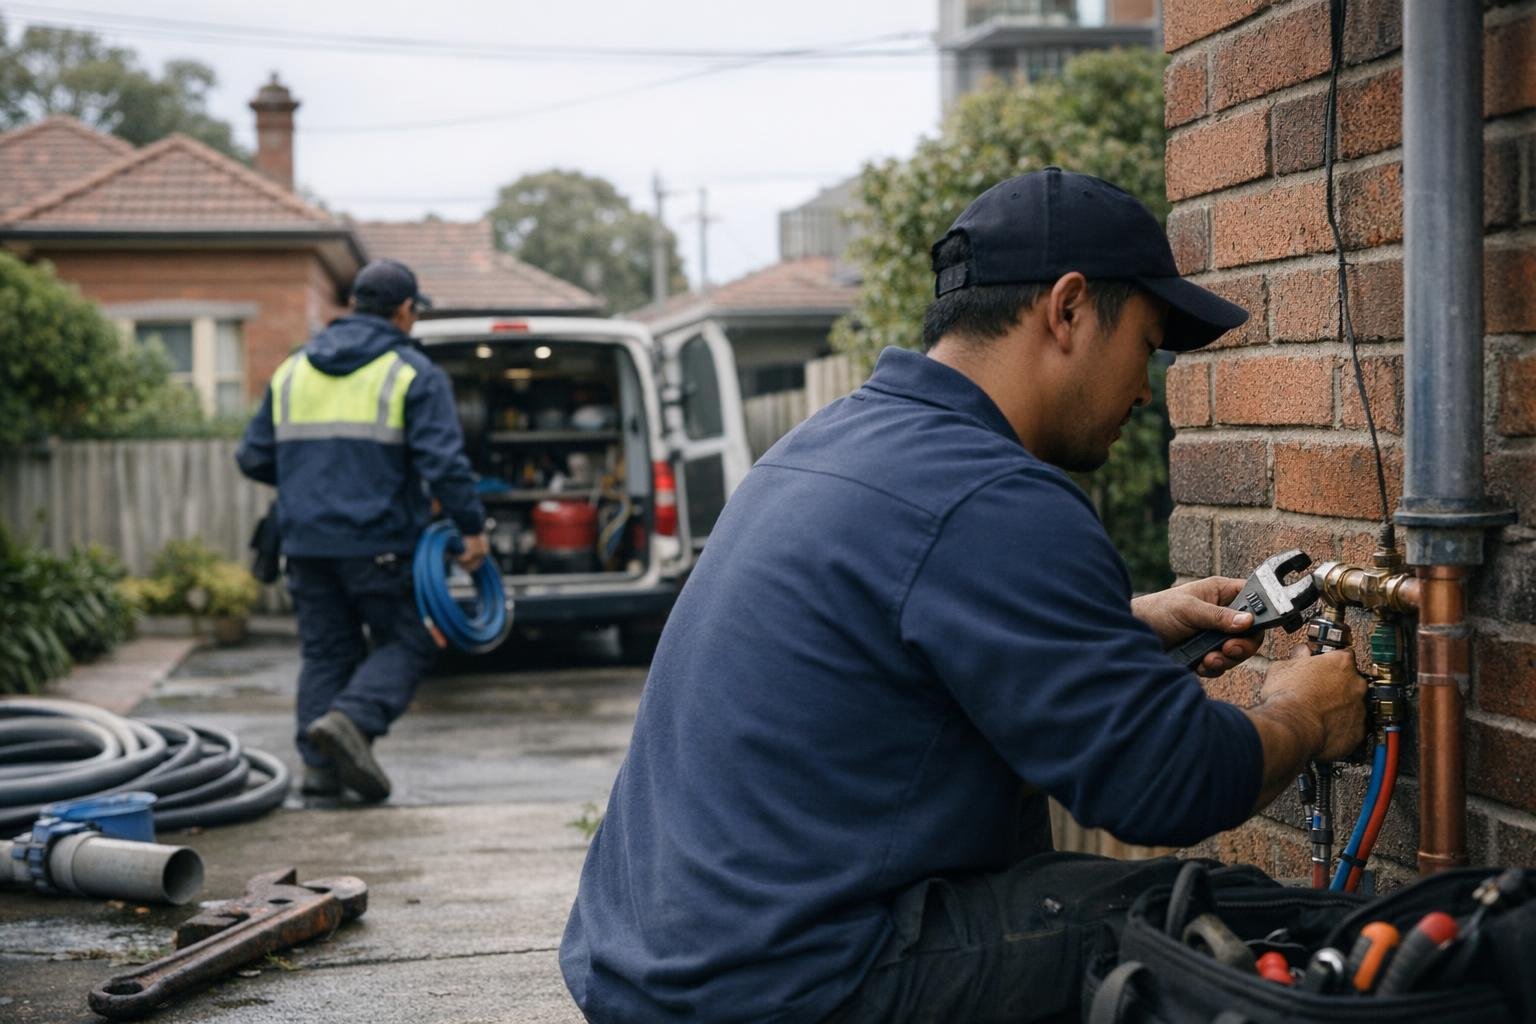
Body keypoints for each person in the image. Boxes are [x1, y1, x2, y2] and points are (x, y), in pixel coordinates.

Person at [559, 168, 1368, 1022]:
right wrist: (1303, 714)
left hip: (652, 970)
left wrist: (1122, 626)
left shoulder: (828, 446)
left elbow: (887, 643)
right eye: (1146, 344)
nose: (1144, 388)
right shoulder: (993, 496)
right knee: (1233, 928)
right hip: (791, 985)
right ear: (1068, 309)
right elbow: (1167, 783)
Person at [236, 259, 489, 802]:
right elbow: (444, 465)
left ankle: (319, 772)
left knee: (327, 653)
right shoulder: (412, 373)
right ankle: (352, 719)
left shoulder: (293, 369)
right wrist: (472, 530)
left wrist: (312, 478)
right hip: (380, 543)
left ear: (353, 305)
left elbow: (252, 457)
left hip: (305, 544)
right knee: (412, 639)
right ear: (405, 310)